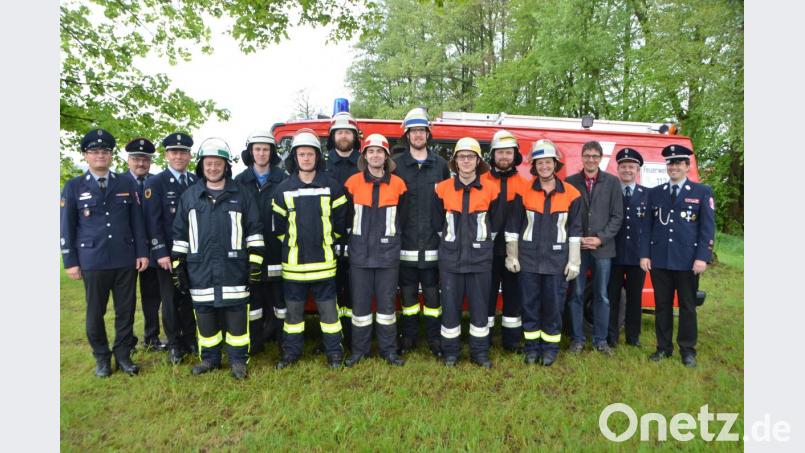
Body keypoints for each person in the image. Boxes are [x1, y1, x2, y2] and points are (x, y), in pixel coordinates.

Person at [171, 138, 264, 379]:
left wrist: (255, 262)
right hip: (199, 269)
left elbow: (254, 230)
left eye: (218, 163)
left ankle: (237, 361)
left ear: (226, 166)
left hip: (234, 267)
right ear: (201, 165)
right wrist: (178, 265)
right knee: (205, 317)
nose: (213, 168)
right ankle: (210, 359)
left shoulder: (241, 194)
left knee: (237, 320)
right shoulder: (190, 197)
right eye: (209, 163)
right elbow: (180, 234)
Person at [60, 129, 149, 377]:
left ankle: (123, 355)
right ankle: (101, 356)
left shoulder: (126, 183)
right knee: (94, 313)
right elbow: (66, 225)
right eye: (95, 152)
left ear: (111, 156)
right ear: (86, 156)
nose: (100, 155)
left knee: (126, 311)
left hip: (124, 258)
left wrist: (142, 252)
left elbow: (137, 221)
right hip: (93, 260)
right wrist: (70, 261)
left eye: (105, 151)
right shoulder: (74, 186)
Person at [272, 129, 349, 369]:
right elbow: (279, 229)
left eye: (310, 154)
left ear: (317, 156)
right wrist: (296, 244)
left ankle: (334, 353)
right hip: (293, 266)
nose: (306, 158)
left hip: (324, 264)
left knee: (329, 316)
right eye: (301, 154)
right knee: (293, 317)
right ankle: (291, 354)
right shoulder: (283, 189)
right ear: (295, 158)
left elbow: (340, 223)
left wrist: (325, 241)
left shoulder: (332, 187)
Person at [506, 139, 582, 366]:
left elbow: (575, 231)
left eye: (548, 162)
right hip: (528, 260)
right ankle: (532, 348)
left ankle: (550, 349)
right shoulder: (523, 191)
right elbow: (513, 227)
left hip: (557, 262)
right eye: (540, 163)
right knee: (529, 305)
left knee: (553, 307)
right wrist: (512, 255)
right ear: (534, 166)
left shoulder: (572, 194)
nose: (544, 167)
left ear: (555, 164)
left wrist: (574, 261)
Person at [640, 144, 715, 368]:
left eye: (678, 163)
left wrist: (703, 257)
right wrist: (645, 255)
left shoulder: (702, 192)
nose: (673, 167)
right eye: (670, 163)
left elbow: (707, 228)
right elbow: (647, 226)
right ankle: (663, 348)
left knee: (687, 306)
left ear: (687, 166)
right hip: (660, 259)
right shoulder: (655, 193)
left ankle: (687, 350)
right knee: (662, 306)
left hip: (687, 261)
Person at [433, 138, 501, 368]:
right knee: (450, 310)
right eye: (462, 157)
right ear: (455, 162)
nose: (466, 161)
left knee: (480, 311)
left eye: (470, 157)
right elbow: (436, 224)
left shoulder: (492, 190)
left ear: (478, 161)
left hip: (480, 260)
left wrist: (482, 246)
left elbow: (496, 224)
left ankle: (479, 353)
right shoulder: (442, 189)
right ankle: (451, 353)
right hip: (451, 261)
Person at [343, 134, 407, 367]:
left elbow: (404, 220)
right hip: (360, 255)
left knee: (387, 307)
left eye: (380, 151)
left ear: (386, 156)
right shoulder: (352, 183)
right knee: (360, 308)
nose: (375, 155)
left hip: (388, 255)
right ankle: (359, 351)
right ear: (364, 156)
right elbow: (346, 219)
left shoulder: (399, 185)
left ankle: (389, 351)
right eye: (371, 151)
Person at [392, 107, 451, 357]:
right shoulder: (396, 166)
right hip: (404, 243)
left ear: (428, 134)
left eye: (421, 131)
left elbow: (448, 202)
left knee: (432, 298)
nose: (417, 135)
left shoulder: (441, 166)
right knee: (407, 298)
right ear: (407, 136)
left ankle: (435, 339)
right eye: (413, 131)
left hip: (432, 243)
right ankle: (409, 338)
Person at [143, 132, 198, 365]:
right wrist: (160, 252)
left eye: (183, 152)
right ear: (166, 155)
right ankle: (174, 343)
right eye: (174, 152)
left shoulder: (196, 181)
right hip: (167, 255)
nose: (178, 156)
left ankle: (190, 340)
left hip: (194, 253)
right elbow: (152, 222)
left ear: (189, 155)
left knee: (190, 299)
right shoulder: (155, 183)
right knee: (170, 300)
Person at [565, 141, 623, 355]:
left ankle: (601, 340)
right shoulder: (570, 182)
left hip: (603, 249)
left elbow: (618, 216)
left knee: (601, 295)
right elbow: (565, 215)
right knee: (576, 294)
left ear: (600, 158)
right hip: (577, 248)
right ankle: (577, 339)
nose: (591, 159)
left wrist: (600, 238)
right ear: (582, 157)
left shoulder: (612, 183)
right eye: (587, 155)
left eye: (595, 156)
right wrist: (576, 238)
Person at [235, 129, 288, 355]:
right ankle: (255, 342)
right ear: (250, 152)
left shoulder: (283, 180)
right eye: (257, 149)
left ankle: (283, 342)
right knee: (253, 303)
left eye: (266, 149)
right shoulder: (239, 181)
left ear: (272, 152)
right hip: (249, 252)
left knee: (280, 302)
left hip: (277, 250)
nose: (261, 153)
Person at [480, 130, 528, 353]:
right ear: (493, 155)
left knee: (513, 297)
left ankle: (511, 341)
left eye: (509, 152)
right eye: (500, 152)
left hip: (515, 253)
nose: (504, 156)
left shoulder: (526, 184)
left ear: (515, 155)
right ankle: (484, 339)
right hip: (487, 253)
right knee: (486, 298)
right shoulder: (481, 182)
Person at [120, 137, 166, 351]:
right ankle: (126, 342)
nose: (141, 163)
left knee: (152, 296)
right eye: (137, 159)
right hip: (126, 251)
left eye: (145, 159)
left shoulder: (157, 182)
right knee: (125, 301)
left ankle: (152, 337)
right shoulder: (118, 183)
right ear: (128, 159)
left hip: (152, 250)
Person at [324, 112, 362, 343]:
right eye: (340, 132)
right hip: (327, 236)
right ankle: (332, 336)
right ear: (333, 136)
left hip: (359, 236)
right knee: (330, 289)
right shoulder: (322, 163)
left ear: (355, 137)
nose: (344, 136)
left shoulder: (365, 162)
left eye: (348, 132)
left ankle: (352, 336)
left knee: (355, 289)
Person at [607, 148, 650, 348]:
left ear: (637, 170)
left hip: (636, 256)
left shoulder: (647, 195)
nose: (627, 170)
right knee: (612, 298)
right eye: (623, 166)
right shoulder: (610, 192)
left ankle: (633, 337)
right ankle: (611, 337)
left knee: (634, 299)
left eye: (631, 167)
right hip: (613, 255)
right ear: (617, 169)